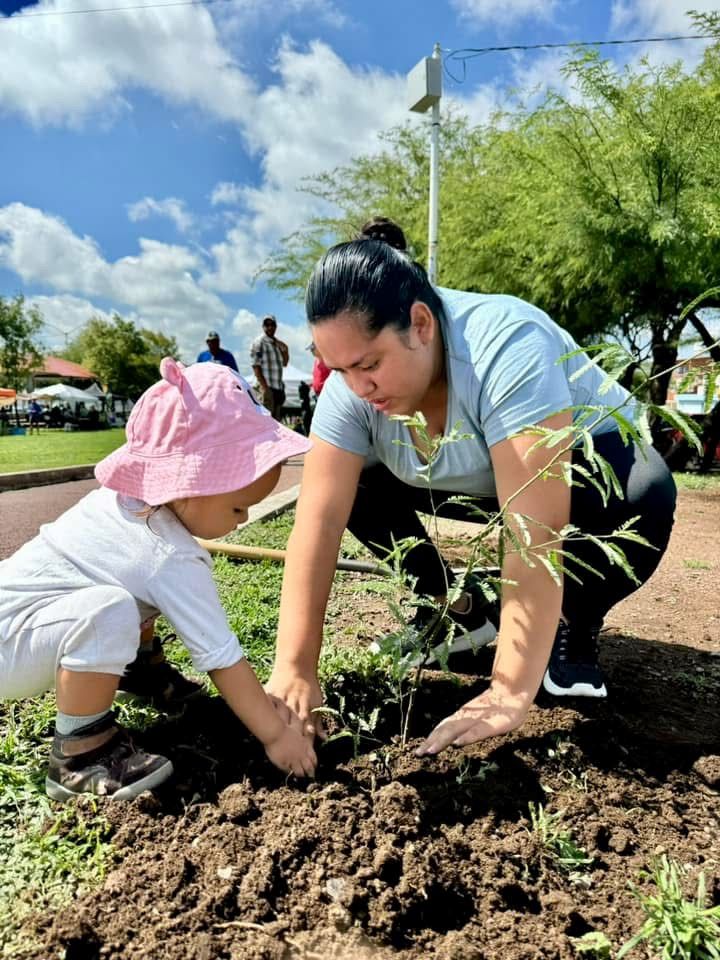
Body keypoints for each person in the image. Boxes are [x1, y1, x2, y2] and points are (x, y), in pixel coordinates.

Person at [265, 217, 676, 757]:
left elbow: (535, 529)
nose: (357, 387)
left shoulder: (506, 347)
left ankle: (571, 620)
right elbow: (317, 520)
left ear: (421, 324)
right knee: (352, 487)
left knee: (647, 492)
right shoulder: (352, 390)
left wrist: (506, 689)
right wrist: (295, 668)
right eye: (339, 369)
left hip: (586, 470)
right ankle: (457, 613)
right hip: (469, 480)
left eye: (369, 364)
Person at [0, 358, 315, 802]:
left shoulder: (124, 503)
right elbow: (220, 655)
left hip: (12, 620)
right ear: (189, 484)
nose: (243, 522)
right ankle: (80, 754)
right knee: (107, 610)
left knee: (119, 595)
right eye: (237, 508)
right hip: (9, 650)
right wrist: (274, 735)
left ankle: (140, 671)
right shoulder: (169, 555)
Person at [250, 315, 289, 420]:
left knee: (277, 423)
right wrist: (265, 389)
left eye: (272, 324)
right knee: (266, 423)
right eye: (267, 325)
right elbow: (255, 366)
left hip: (278, 387)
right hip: (266, 388)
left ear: (276, 326)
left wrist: (284, 348)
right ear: (263, 327)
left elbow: (285, 362)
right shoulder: (259, 342)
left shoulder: (277, 344)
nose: (270, 327)